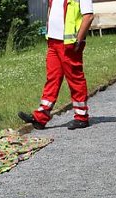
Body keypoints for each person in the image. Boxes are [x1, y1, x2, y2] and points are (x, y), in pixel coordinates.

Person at [18, 0, 94, 130]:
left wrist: (78, 40)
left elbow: (89, 16)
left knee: (75, 78)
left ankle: (82, 117)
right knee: (52, 79)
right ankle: (40, 117)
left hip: (69, 44)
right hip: (53, 41)